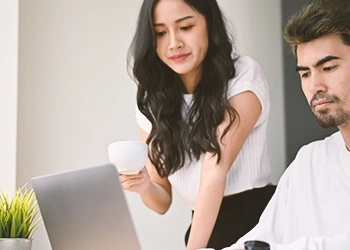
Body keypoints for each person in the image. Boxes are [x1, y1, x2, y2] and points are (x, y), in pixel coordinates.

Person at [120, 0, 275, 249]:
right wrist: (145, 186)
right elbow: (161, 201)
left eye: (186, 27)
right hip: (204, 232)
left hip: (258, 224)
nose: (174, 43)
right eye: (160, 33)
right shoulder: (152, 102)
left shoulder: (242, 76)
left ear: (209, 24)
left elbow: (215, 167)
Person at [219, 0, 350, 249]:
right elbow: (259, 239)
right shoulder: (309, 162)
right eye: (305, 73)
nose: (315, 86)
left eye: (329, 67)